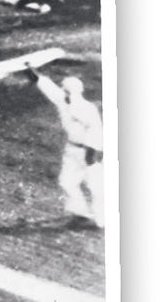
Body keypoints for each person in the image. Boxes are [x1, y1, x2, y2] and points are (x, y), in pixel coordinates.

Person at [28, 69, 104, 229]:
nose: (65, 94)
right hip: (72, 149)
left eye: (68, 92)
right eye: (65, 91)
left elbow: (96, 130)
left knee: (96, 186)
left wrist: (93, 151)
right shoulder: (63, 101)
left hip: (89, 151)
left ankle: (102, 219)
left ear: (76, 93)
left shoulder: (87, 108)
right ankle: (80, 213)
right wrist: (32, 73)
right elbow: (49, 88)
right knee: (67, 181)